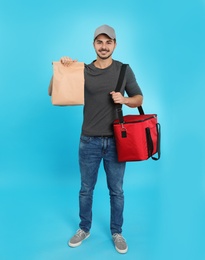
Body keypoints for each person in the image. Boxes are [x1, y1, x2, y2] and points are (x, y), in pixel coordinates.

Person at [51, 24, 143, 254]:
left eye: (108, 42)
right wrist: (61, 69)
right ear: (93, 44)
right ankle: (84, 228)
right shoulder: (83, 70)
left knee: (117, 191)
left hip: (116, 142)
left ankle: (117, 232)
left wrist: (124, 100)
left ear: (115, 44)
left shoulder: (124, 70)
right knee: (85, 189)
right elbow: (53, 91)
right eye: (99, 42)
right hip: (89, 141)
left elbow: (139, 99)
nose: (104, 46)